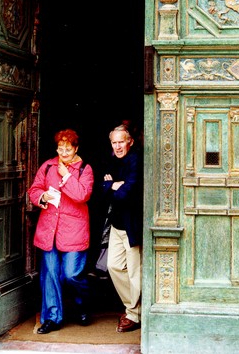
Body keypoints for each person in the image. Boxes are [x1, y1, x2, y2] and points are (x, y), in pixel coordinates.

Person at [28, 128, 94, 334]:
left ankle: (83, 304)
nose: (63, 153)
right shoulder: (47, 166)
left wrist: (66, 177)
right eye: (60, 148)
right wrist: (42, 197)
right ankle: (53, 318)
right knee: (50, 275)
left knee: (71, 274)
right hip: (49, 229)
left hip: (74, 229)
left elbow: (82, 195)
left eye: (67, 149)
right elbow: (34, 189)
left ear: (76, 149)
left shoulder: (85, 169)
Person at [102, 124, 143, 332]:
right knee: (114, 267)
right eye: (114, 142)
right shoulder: (111, 160)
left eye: (121, 142)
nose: (117, 146)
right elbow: (102, 188)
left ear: (130, 142)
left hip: (131, 225)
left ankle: (134, 314)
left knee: (135, 271)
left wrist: (114, 186)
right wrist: (113, 185)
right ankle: (134, 307)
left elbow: (128, 192)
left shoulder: (136, 160)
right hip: (117, 224)